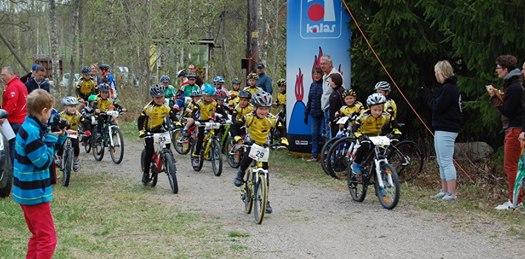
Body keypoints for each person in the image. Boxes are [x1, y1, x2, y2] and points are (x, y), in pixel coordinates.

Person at [12, 89, 66, 259]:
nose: (51, 115)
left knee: (37, 236)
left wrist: (58, 137)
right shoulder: (32, 132)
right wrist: (51, 140)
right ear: (43, 111)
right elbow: (43, 161)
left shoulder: (31, 126)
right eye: (50, 111)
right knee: (48, 239)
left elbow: (42, 150)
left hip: (27, 192)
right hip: (34, 194)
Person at [487, 55, 524, 209]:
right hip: (514, 128)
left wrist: (495, 99)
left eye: (498, 68)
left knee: (511, 166)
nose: (496, 71)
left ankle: (514, 201)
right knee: (514, 165)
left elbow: (508, 110)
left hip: (515, 129)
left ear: (505, 69)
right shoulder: (514, 85)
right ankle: (517, 199)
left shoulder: (515, 87)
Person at [233, 91, 276, 213]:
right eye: (261, 109)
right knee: (247, 158)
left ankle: (265, 200)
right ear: (255, 108)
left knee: (265, 173)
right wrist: (236, 137)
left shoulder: (271, 119)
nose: (263, 111)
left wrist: (283, 139)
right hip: (251, 142)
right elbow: (235, 126)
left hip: (263, 146)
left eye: (266, 109)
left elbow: (280, 127)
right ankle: (241, 173)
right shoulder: (249, 117)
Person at [425, 60, 462, 201]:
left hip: (447, 128)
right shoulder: (448, 88)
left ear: (441, 72)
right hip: (441, 128)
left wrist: (427, 96)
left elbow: (437, 106)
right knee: (441, 160)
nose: (435, 75)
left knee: (446, 161)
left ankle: (452, 193)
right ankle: (444, 189)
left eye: (436, 72)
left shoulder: (449, 89)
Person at [350, 93, 401, 180]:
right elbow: (354, 127)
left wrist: (396, 132)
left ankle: (383, 169)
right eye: (375, 110)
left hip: (377, 136)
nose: (378, 112)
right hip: (364, 136)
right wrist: (359, 136)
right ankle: (356, 164)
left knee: (384, 152)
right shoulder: (364, 116)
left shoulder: (386, 115)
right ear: (369, 108)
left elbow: (394, 124)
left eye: (380, 110)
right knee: (364, 146)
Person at [137, 85, 177, 184]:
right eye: (157, 98)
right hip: (149, 131)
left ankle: (168, 160)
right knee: (149, 152)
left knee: (167, 145)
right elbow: (140, 120)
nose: (160, 99)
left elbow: (172, 115)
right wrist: (141, 131)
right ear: (153, 98)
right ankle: (146, 173)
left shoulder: (165, 106)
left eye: (162, 97)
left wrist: (177, 122)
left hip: (160, 128)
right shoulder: (148, 108)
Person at [1, 66, 29, 164]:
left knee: (14, 148)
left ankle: (15, 173)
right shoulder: (20, 84)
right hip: (22, 120)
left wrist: (2, 116)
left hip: (15, 122)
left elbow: (11, 105)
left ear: (11, 74)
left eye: (4, 75)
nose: (2, 77)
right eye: (1, 75)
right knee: (19, 147)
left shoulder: (13, 86)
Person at [320, 55, 342, 139]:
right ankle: (328, 150)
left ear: (330, 64)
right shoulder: (325, 76)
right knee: (327, 131)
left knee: (331, 131)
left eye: (324, 63)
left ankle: (331, 151)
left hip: (332, 108)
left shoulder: (336, 75)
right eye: (321, 64)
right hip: (326, 108)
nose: (322, 66)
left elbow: (341, 91)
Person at [57, 96, 82, 171]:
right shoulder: (60, 115)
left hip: (73, 133)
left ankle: (75, 161)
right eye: (71, 106)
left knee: (76, 145)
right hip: (64, 132)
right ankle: (59, 158)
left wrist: (86, 128)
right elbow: (56, 124)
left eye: (74, 106)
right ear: (65, 107)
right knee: (60, 144)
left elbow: (84, 121)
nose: (73, 108)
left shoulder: (78, 115)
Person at [304, 67, 324, 161]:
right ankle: (314, 155)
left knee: (325, 134)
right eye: (314, 74)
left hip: (323, 113)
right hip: (313, 113)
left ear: (322, 74)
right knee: (314, 134)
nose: (316, 75)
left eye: (318, 73)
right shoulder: (312, 85)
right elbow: (309, 100)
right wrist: (306, 113)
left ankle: (325, 156)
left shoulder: (325, 84)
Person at [327, 73, 345, 138]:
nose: (329, 82)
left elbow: (334, 108)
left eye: (330, 80)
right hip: (336, 120)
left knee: (337, 139)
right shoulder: (336, 91)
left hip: (339, 120)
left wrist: (331, 120)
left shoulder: (339, 92)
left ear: (334, 81)